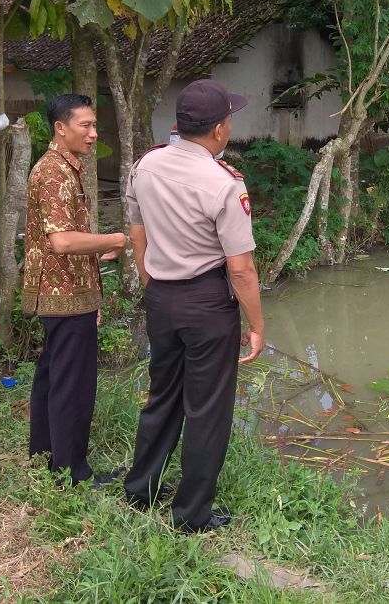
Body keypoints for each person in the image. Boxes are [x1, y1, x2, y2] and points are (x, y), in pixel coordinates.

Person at [123, 78, 265, 533]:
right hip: (206, 303)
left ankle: (141, 489)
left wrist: (153, 281)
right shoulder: (224, 183)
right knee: (206, 408)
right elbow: (240, 269)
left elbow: (137, 231)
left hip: (161, 297)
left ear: (179, 125)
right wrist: (257, 324)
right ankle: (190, 514)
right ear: (220, 130)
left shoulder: (144, 166)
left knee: (162, 394)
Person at [23, 94, 128, 486]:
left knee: (53, 375)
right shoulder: (53, 173)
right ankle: (72, 472)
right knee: (73, 385)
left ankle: (46, 455)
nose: (93, 134)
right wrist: (115, 239)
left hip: (68, 289)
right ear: (60, 128)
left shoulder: (65, 169)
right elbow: (63, 242)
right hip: (63, 293)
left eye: (94, 125)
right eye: (85, 126)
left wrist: (96, 256)